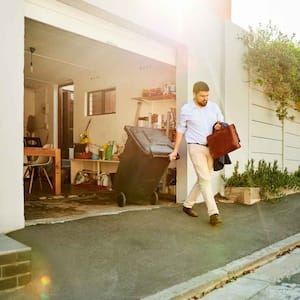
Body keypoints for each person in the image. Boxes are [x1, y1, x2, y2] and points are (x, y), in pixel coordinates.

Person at [169, 81, 223, 225]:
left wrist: (219, 126)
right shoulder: (187, 109)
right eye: (202, 96)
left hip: (211, 148)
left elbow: (222, 124)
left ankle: (187, 205)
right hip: (195, 147)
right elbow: (180, 130)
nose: (205, 98)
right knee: (205, 179)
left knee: (202, 179)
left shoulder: (213, 107)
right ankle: (214, 213)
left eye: (207, 95)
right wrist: (175, 150)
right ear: (194, 94)